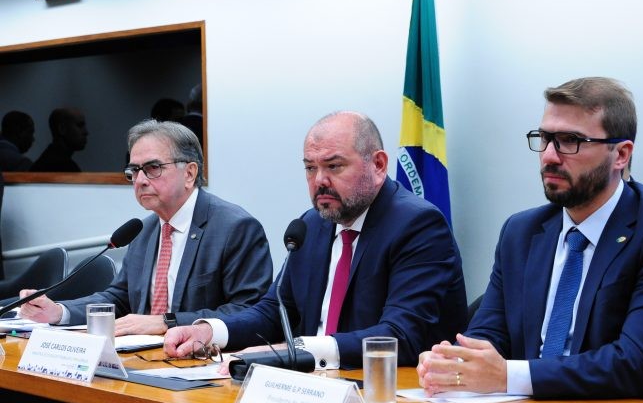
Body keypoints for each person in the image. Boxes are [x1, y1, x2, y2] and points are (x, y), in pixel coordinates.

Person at [417, 77, 643, 403]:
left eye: (571, 141)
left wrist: (506, 376)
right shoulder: (522, 232)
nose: (549, 156)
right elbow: (489, 335)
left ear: (621, 155)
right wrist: (455, 363)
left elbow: (636, 364)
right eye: (544, 139)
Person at [164, 111, 467, 369]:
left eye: (334, 166)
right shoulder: (312, 225)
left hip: (392, 394)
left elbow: (398, 336)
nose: (319, 180)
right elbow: (273, 309)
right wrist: (210, 331)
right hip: (314, 387)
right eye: (310, 168)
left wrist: (300, 350)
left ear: (378, 165)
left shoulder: (417, 225)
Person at [19, 119, 273, 335]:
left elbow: (248, 312)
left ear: (189, 173)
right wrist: (59, 312)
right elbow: (119, 299)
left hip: (204, 364)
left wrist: (165, 322)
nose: (139, 180)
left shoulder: (235, 228)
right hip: (144, 358)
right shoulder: (145, 230)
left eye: (152, 168)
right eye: (134, 170)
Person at [30, 107, 88, 172]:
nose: (86, 132)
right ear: (62, 129)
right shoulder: (63, 167)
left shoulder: (46, 160)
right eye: (79, 126)